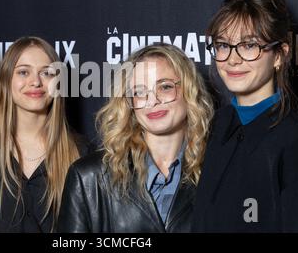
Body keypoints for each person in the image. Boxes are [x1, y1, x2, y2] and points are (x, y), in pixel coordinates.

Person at [192, 0, 298, 232]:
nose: (232, 59)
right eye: (223, 45)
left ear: (280, 55)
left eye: (249, 45)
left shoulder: (297, 145)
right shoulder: (218, 124)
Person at [57, 43, 213, 232]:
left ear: (189, 91)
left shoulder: (219, 170)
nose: (152, 100)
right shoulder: (89, 177)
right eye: (139, 92)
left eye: (165, 87)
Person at [0, 36, 89, 233]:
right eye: (23, 72)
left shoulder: (82, 153)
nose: (35, 82)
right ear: (6, 81)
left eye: (47, 73)